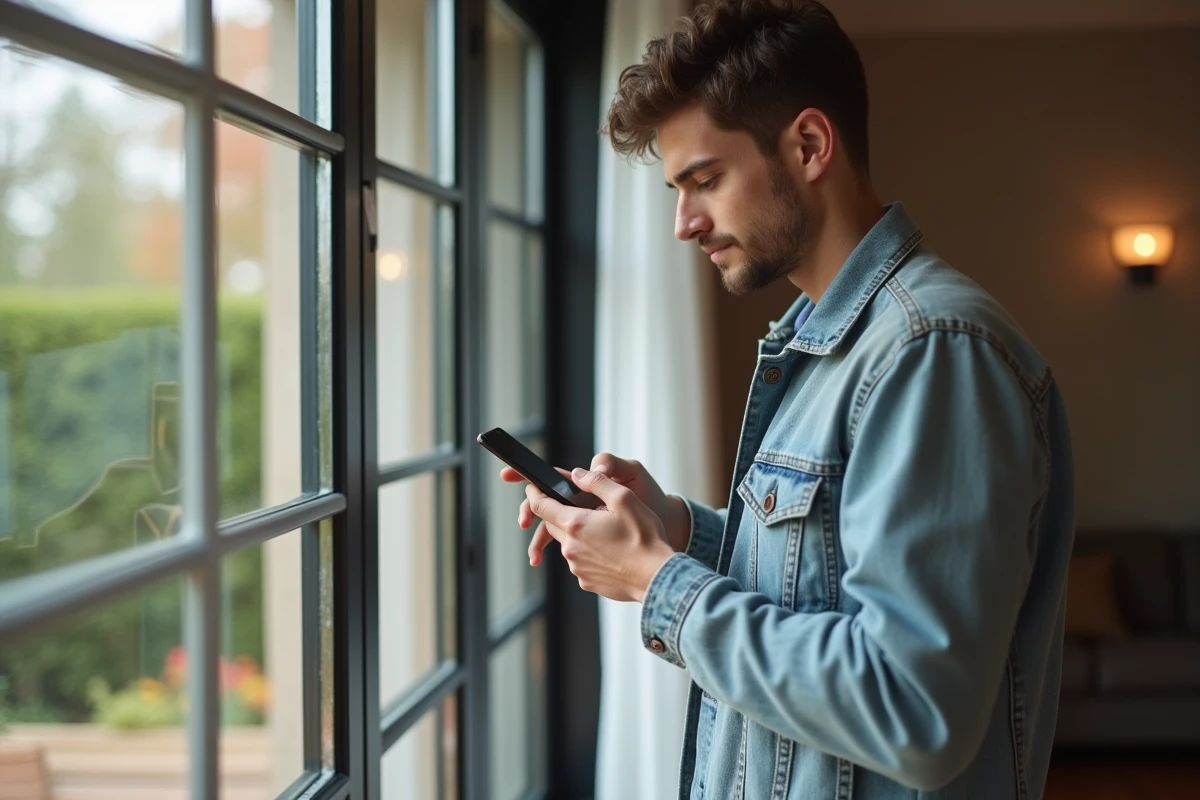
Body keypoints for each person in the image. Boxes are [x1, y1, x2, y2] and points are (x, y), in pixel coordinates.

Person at [500, 1, 1075, 797]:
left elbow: (913, 712)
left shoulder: (934, 351)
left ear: (808, 146)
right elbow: (829, 579)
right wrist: (676, 530)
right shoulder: (825, 344)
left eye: (704, 180)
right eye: (676, 187)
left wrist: (656, 581)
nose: (683, 223)